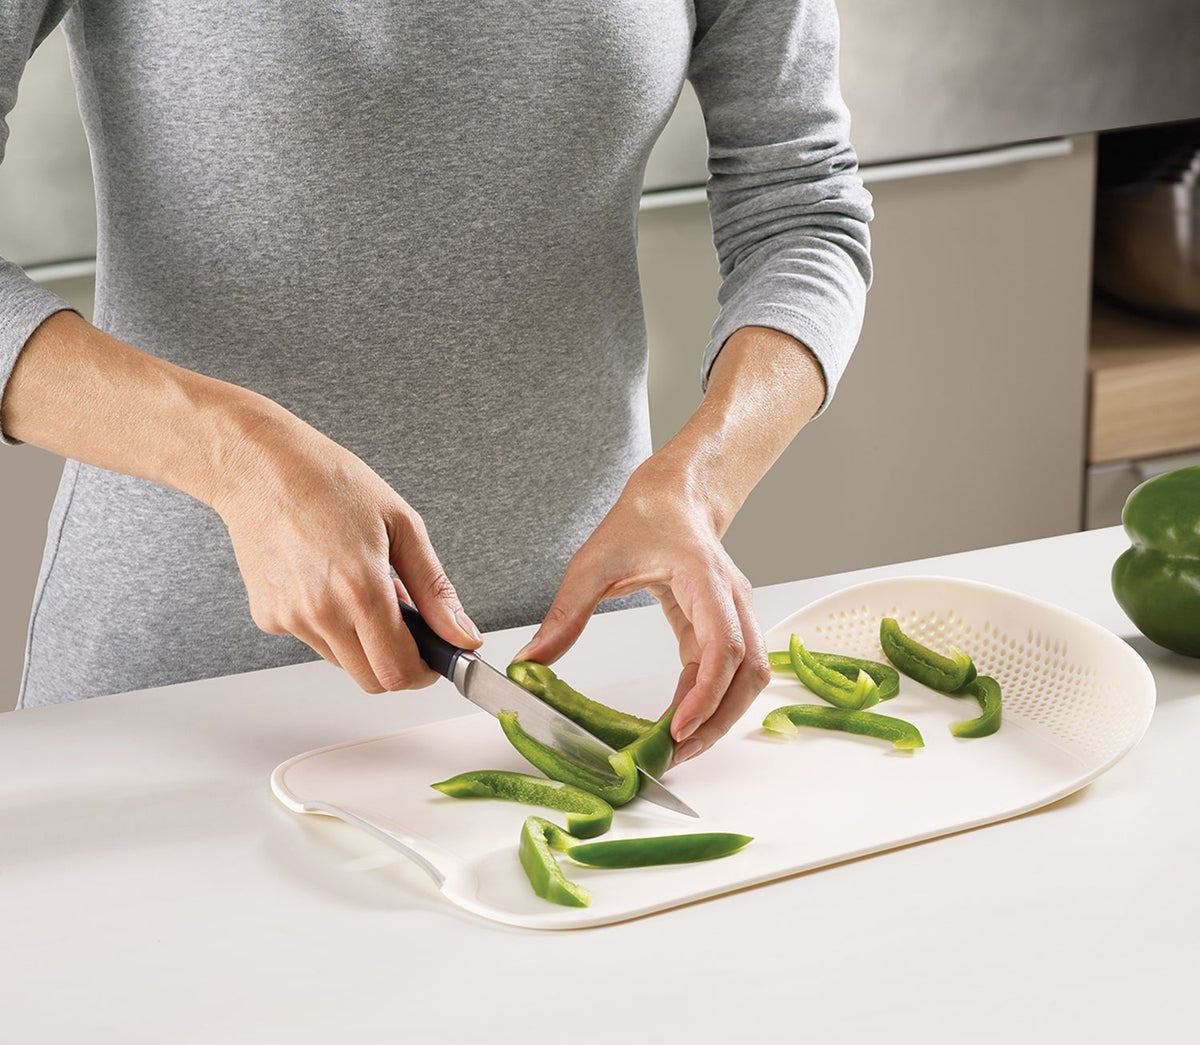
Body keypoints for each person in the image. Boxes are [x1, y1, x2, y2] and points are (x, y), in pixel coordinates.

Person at [0, 1, 871, 763]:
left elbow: (802, 206)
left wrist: (700, 484)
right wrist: (235, 456)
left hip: (572, 682)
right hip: (169, 705)